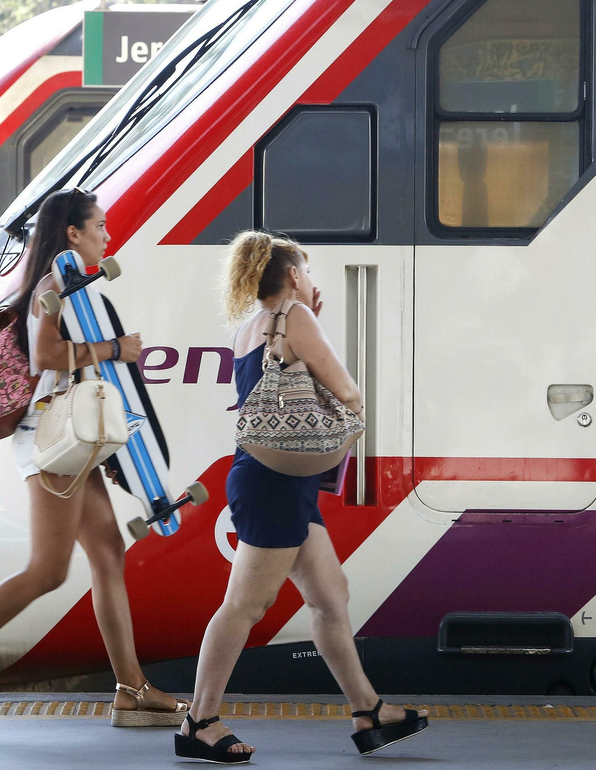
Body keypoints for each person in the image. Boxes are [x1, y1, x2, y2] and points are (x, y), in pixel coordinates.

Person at [176, 232, 428, 764]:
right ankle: (200, 720)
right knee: (246, 604)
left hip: (271, 478)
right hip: (274, 484)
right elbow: (346, 390)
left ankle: (367, 709)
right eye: (308, 273)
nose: (312, 283)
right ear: (293, 276)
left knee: (330, 596)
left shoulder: (250, 326)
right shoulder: (295, 315)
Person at [0, 188, 185, 732]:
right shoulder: (53, 286)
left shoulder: (68, 284)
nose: (107, 234)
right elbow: (48, 353)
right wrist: (114, 349)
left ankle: (131, 689)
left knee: (108, 553)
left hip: (71, 442)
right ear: (72, 233)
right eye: (99, 225)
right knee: (48, 571)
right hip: (53, 441)